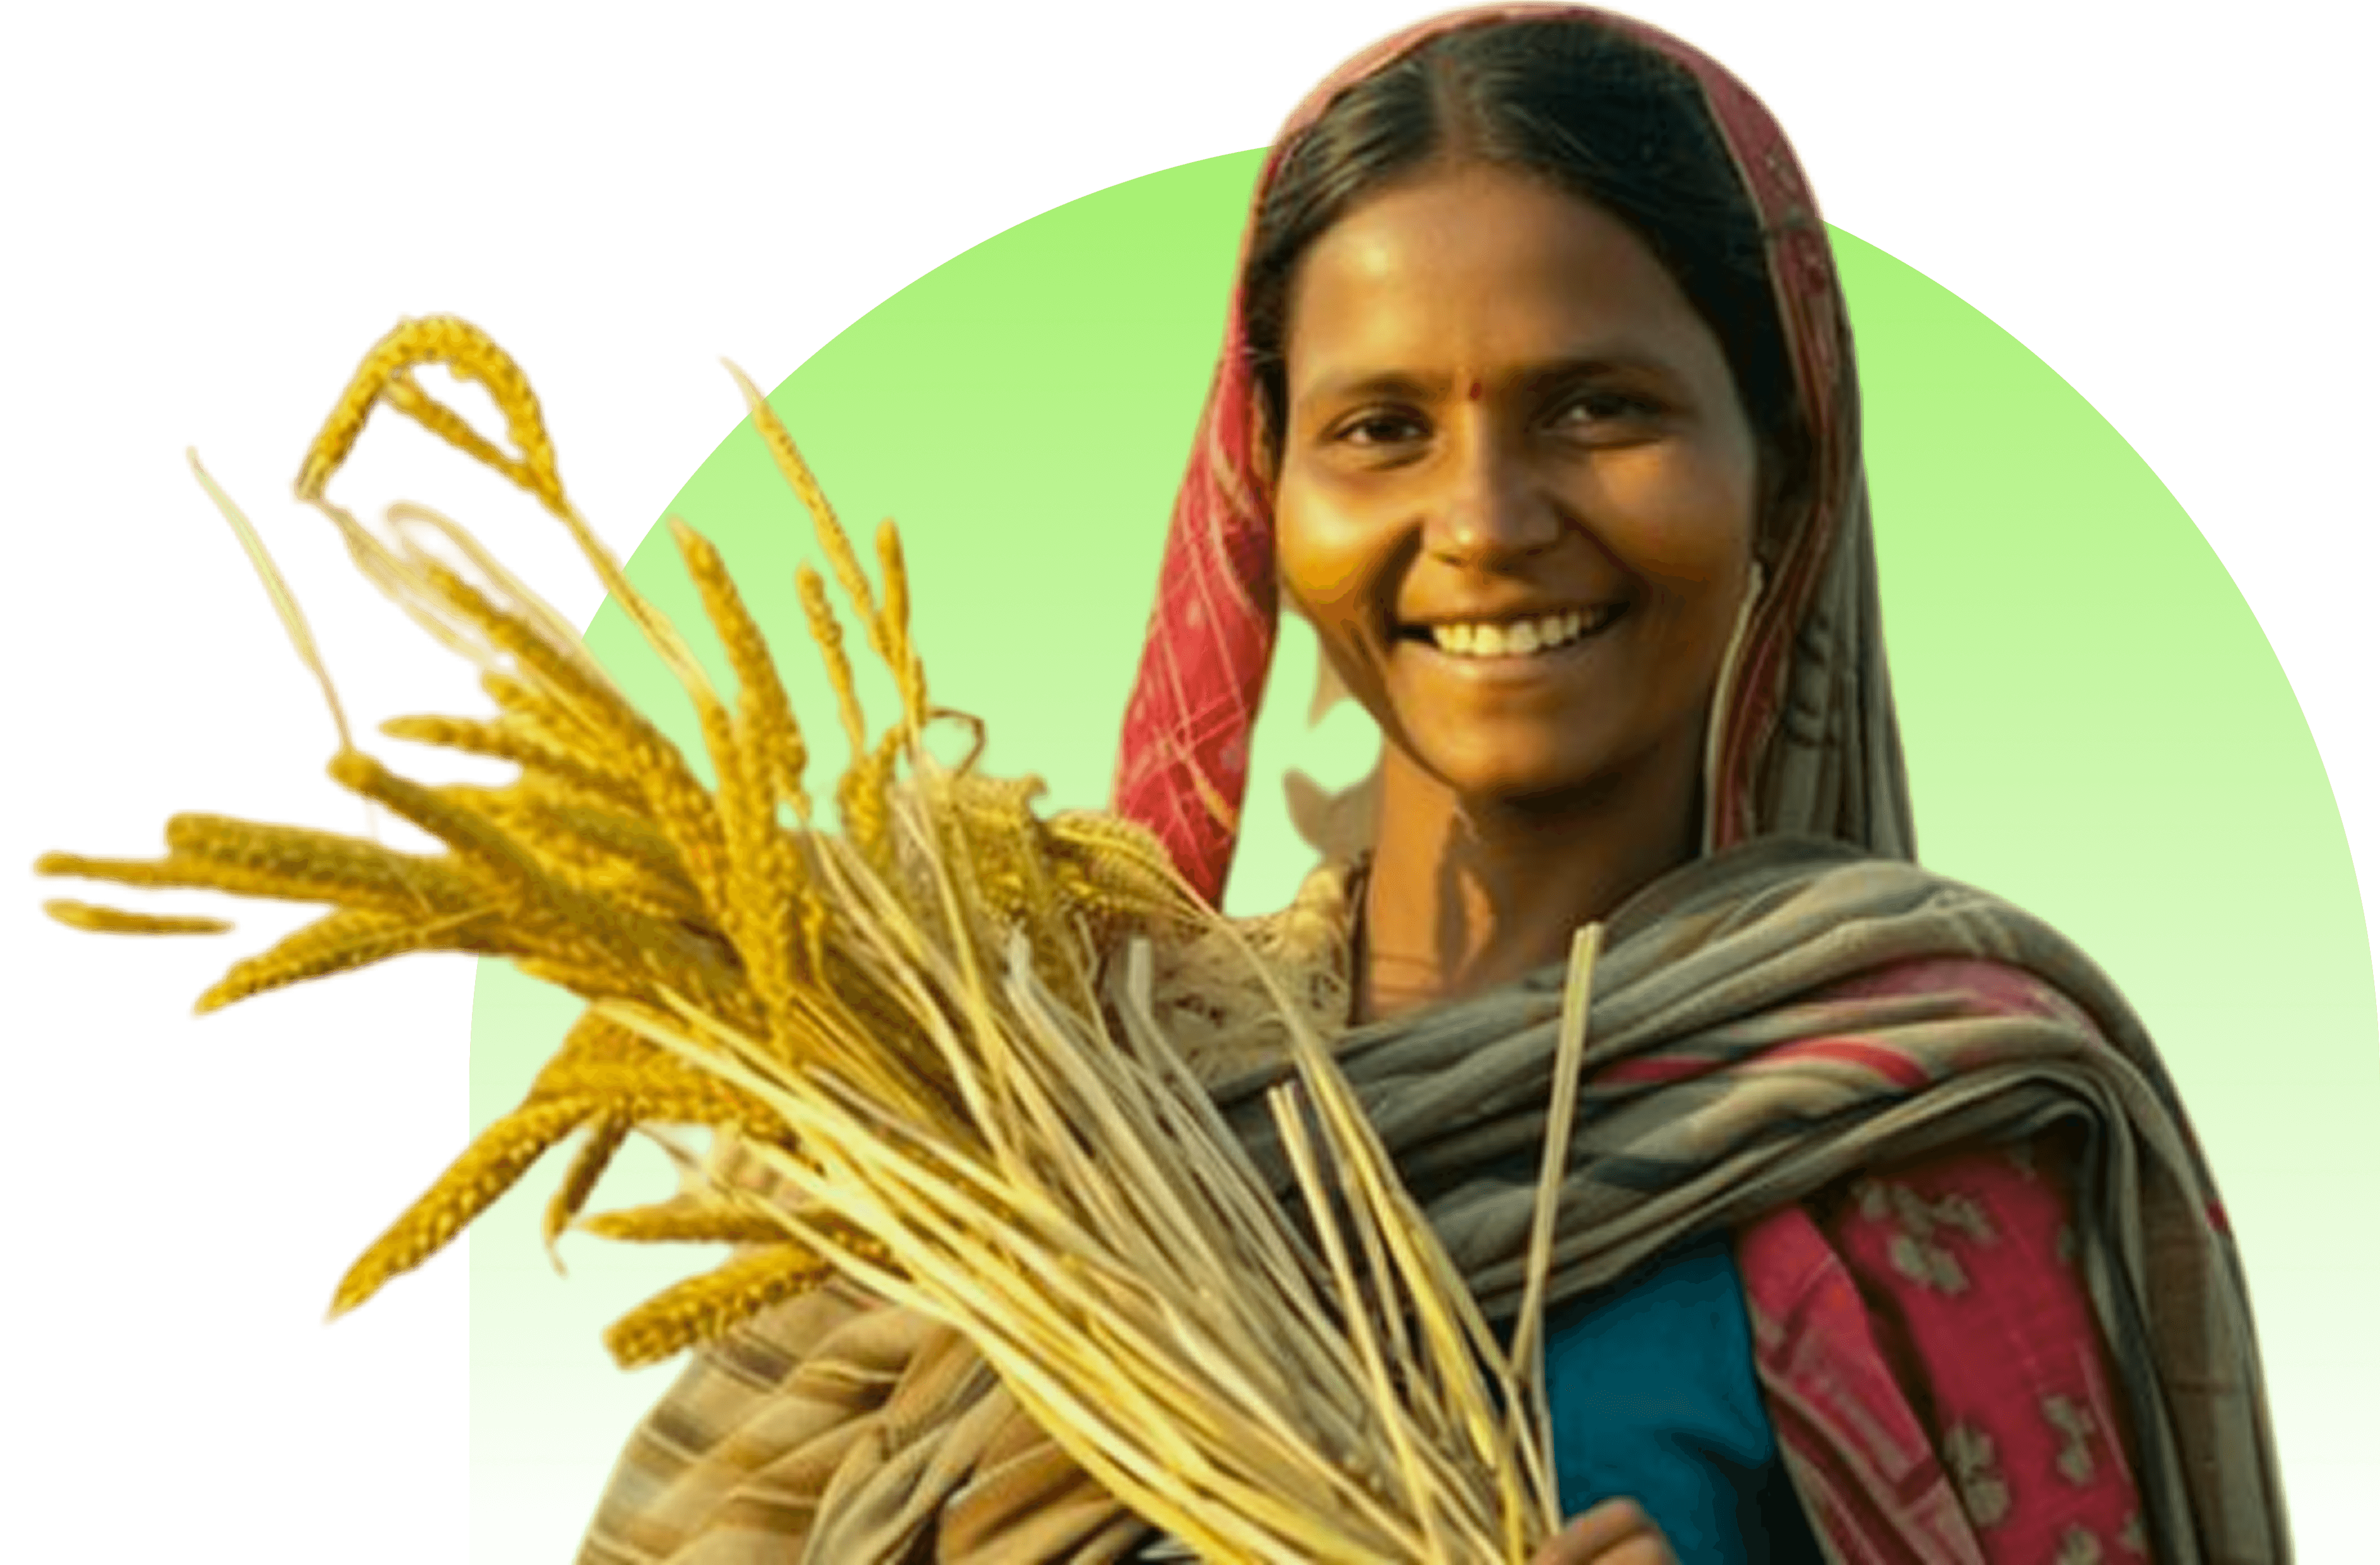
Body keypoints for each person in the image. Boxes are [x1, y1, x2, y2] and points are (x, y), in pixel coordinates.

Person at [578, 5, 2290, 1561]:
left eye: (1598, 409)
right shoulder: (1019, 1117)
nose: (1481, 519)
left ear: (1782, 474)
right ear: (1266, 498)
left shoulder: (1924, 1127)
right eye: (1380, 428)